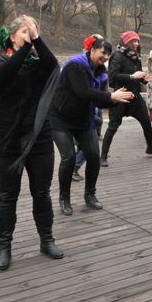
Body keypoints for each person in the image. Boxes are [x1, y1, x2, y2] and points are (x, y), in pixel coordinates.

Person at [0, 15, 64, 271]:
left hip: (39, 137)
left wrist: (36, 39)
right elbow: (4, 77)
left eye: (33, 30)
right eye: (24, 31)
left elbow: (54, 66)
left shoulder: (41, 64)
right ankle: (4, 246)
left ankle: (47, 240)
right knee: (7, 195)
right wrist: (26, 47)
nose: (30, 34)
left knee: (42, 193)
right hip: (7, 139)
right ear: (12, 37)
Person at [50, 35, 133, 216]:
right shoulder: (76, 65)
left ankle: (90, 195)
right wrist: (110, 96)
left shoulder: (101, 72)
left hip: (83, 119)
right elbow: (83, 92)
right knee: (68, 157)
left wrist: (116, 100)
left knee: (94, 155)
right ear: (93, 50)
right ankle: (64, 198)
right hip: (60, 118)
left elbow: (99, 100)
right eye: (103, 52)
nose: (105, 57)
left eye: (108, 55)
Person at [100, 31, 152, 166]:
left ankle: (151, 147)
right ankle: (103, 156)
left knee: (146, 122)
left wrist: (146, 79)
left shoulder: (135, 57)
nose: (136, 43)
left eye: (137, 41)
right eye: (133, 41)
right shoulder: (117, 56)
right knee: (113, 127)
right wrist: (132, 76)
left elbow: (138, 76)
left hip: (135, 97)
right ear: (125, 42)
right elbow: (113, 77)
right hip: (120, 96)